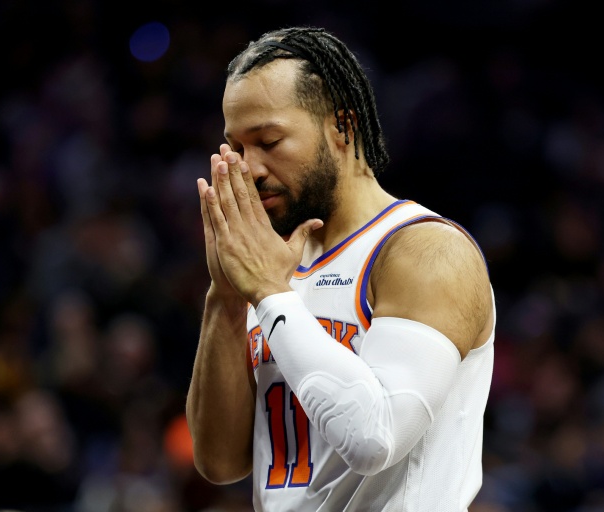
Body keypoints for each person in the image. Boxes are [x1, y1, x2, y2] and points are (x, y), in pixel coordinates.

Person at [186, 26, 495, 512]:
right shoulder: (267, 267)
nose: (251, 168)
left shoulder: (425, 251)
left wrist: (267, 292)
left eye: (269, 140)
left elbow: (377, 438)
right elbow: (219, 462)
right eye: (238, 148)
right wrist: (224, 296)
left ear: (343, 127)